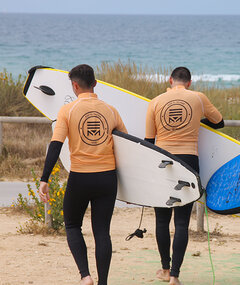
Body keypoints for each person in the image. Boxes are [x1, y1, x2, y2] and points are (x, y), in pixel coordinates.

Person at [38, 64, 127, 285]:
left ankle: (85, 276)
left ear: (74, 85)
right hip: (107, 178)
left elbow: (55, 146)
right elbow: (126, 145)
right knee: (102, 232)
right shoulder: (111, 110)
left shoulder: (67, 111)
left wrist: (44, 179)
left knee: (72, 226)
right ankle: (103, 282)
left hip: (80, 178)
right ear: (95, 84)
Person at [145, 66, 224, 285]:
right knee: (181, 223)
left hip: (162, 161)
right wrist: (197, 120)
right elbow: (220, 122)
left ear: (170, 80)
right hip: (189, 160)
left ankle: (164, 269)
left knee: (162, 220)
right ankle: (176, 276)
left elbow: (149, 142)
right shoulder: (198, 98)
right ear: (189, 82)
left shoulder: (156, 101)